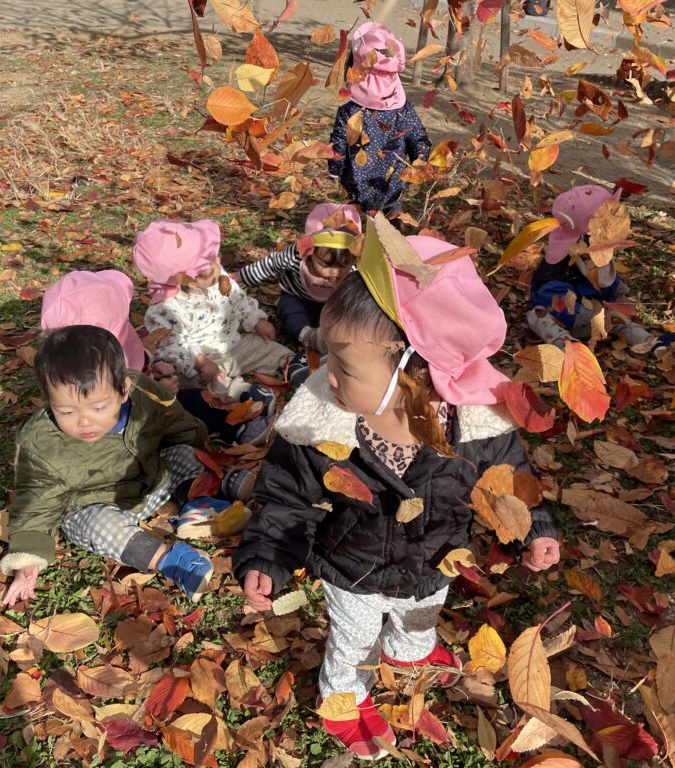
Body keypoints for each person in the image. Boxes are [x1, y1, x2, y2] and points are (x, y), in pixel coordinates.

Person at [232, 217, 560, 760]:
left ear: (417, 376)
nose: (327, 376)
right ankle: (343, 694)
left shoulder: (478, 429)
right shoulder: (321, 427)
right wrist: (267, 555)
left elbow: (509, 488)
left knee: (422, 615)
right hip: (352, 569)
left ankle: (411, 652)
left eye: (343, 365)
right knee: (354, 639)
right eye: (330, 359)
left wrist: (532, 529)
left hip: (434, 559)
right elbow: (288, 498)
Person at [0, 325, 225, 608]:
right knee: (95, 525)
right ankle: (167, 558)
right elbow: (35, 500)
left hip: (154, 478)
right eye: (66, 411)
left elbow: (175, 422)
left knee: (184, 453)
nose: (84, 421)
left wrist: (198, 444)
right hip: (96, 505)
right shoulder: (41, 444)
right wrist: (28, 558)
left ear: (123, 391)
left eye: (98, 408)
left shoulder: (145, 392)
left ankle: (199, 505)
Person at [40, 269, 269, 473]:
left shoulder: (92, 358)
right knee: (182, 439)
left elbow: (137, 366)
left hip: (150, 409)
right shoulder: (83, 386)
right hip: (134, 433)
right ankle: (194, 477)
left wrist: (154, 368)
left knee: (198, 400)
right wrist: (159, 394)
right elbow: (128, 411)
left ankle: (238, 424)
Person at [133, 219, 297, 411]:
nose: (219, 264)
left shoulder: (217, 276)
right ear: (190, 281)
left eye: (216, 257)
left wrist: (255, 319)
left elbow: (237, 298)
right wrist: (200, 362)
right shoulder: (166, 308)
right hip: (202, 360)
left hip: (233, 344)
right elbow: (171, 346)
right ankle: (241, 393)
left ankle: (293, 364)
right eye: (209, 266)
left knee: (265, 346)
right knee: (194, 380)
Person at [527, 185, 675, 356]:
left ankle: (654, 345)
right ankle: (572, 350)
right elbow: (556, 301)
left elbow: (609, 282)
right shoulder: (557, 268)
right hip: (567, 320)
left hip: (602, 321)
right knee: (538, 316)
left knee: (623, 323)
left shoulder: (600, 259)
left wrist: (620, 299)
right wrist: (591, 316)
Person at [328, 22, 432, 221]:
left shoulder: (349, 111)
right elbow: (418, 139)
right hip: (392, 186)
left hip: (356, 185)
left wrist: (334, 170)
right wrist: (420, 161)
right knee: (390, 229)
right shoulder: (404, 110)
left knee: (355, 227)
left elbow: (338, 146)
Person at [236, 203, 360, 355]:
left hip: (332, 304)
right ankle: (307, 336)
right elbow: (270, 265)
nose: (334, 271)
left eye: (343, 266)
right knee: (290, 309)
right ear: (310, 251)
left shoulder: (356, 269)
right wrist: (241, 277)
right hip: (298, 298)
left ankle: (334, 337)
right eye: (325, 264)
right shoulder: (297, 254)